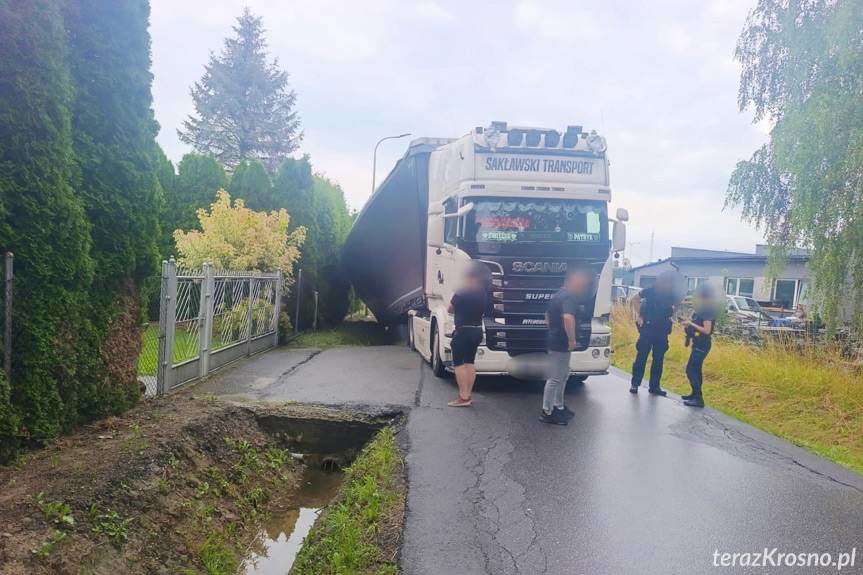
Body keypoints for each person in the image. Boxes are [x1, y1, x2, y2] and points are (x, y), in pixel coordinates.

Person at [539, 266, 593, 425]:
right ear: (572, 282)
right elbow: (568, 318)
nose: (583, 287)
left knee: (563, 375)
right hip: (561, 343)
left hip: (556, 340)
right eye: (581, 283)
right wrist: (571, 339)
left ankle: (559, 407)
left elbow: (547, 315)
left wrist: (553, 329)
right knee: (555, 378)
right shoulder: (568, 298)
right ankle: (547, 411)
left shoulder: (557, 296)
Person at [628, 271, 678, 396]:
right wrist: (639, 315)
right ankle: (635, 384)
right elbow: (634, 299)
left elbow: (675, 306)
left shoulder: (671, 294)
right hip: (648, 329)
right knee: (641, 357)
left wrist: (672, 315)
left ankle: (654, 387)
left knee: (658, 360)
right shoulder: (650, 291)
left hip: (662, 331)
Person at [446, 263, 489, 407]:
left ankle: (463, 397)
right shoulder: (483, 293)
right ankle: (468, 394)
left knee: (459, 364)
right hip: (477, 330)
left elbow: (450, 309)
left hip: (463, 331)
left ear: (470, 277)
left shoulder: (461, 292)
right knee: (470, 362)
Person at [680, 284, 716, 407]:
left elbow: (707, 330)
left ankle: (698, 399)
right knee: (696, 369)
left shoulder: (707, 310)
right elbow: (697, 324)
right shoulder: (701, 309)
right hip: (698, 343)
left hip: (703, 344)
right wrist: (688, 323)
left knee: (690, 369)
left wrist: (691, 323)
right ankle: (695, 394)